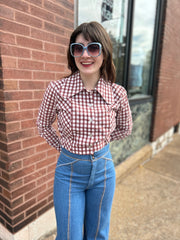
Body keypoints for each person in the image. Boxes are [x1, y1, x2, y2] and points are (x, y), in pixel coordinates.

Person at [37, 21, 133, 240]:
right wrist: (63, 146)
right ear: (72, 54)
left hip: (104, 170)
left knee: (98, 234)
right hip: (69, 172)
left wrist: (102, 141)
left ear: (104, 52)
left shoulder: (117, 93)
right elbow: (43, 124)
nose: (85, 55)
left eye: (93, 47)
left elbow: (125, 128)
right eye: (78, 48)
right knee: (69, 235)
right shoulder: (57, 89)